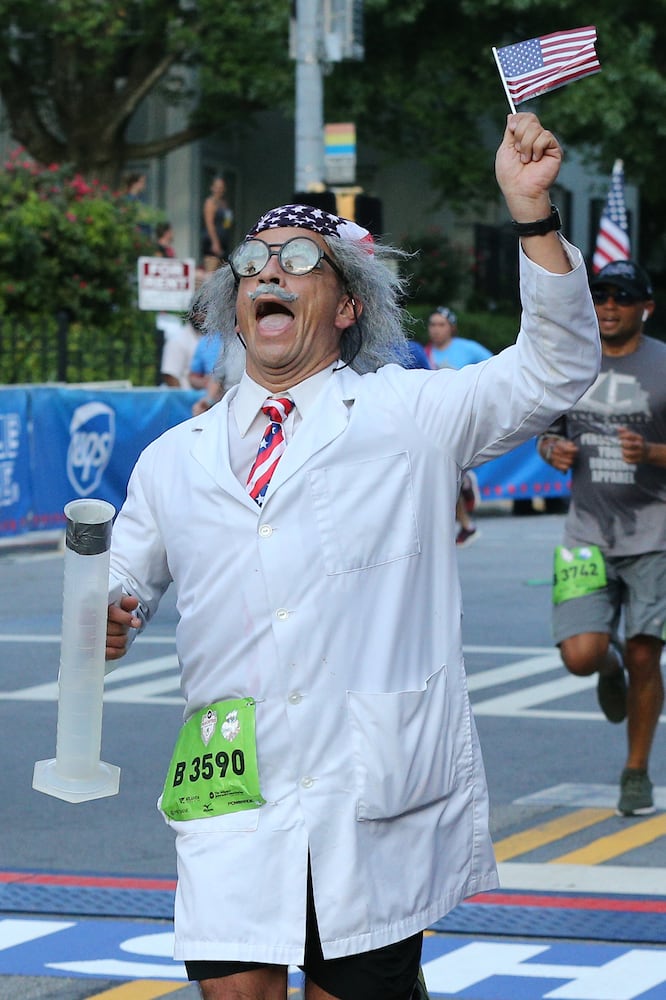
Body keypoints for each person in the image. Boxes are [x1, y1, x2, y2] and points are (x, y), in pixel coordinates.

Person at [105, 112, 600, 1000]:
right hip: (230, 783)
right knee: (236, 992)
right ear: (233, 302)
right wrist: (107, 611)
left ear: (346, 305)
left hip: (366, 785)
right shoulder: (174, 459)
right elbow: (121, 578)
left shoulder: (410, 415)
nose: (269, 273)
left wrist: (532, 213)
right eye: (253, 263)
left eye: (299, 263)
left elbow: (556, 369)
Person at [537, 258, 666, 818]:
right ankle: (604, 668)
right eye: (601, 297)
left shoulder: (663, 364)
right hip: (584, 536)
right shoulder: (574, 362)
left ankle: (635, 770)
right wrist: (552, 449)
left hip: (654, 534)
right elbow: (547, 429)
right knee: (580, 656)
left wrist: (654, 453)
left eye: (620, 298)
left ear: (646, 308)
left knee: (646, 653)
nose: (608, 307)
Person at [425, 306, 492, 546]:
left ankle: (464, 478)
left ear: (451, 327)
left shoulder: (468, 348)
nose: (436, 330)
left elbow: (494, 368)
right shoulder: (425, 354)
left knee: (444, 469)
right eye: (432, 325)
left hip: (464, 415)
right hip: (437, 418)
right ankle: (466, 522)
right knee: (443, 474)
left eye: (441, 324)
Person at [202, 175, 234, 271]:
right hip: (212, 242)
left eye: (221, 187)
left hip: (223, 240)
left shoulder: (224, 203)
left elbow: (227, 223)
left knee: (222, 271)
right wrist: (215, 242)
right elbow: (209, 223)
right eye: (217, 187)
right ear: (212, 188)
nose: (219, 190)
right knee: (211, 272)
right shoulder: (210, 203)